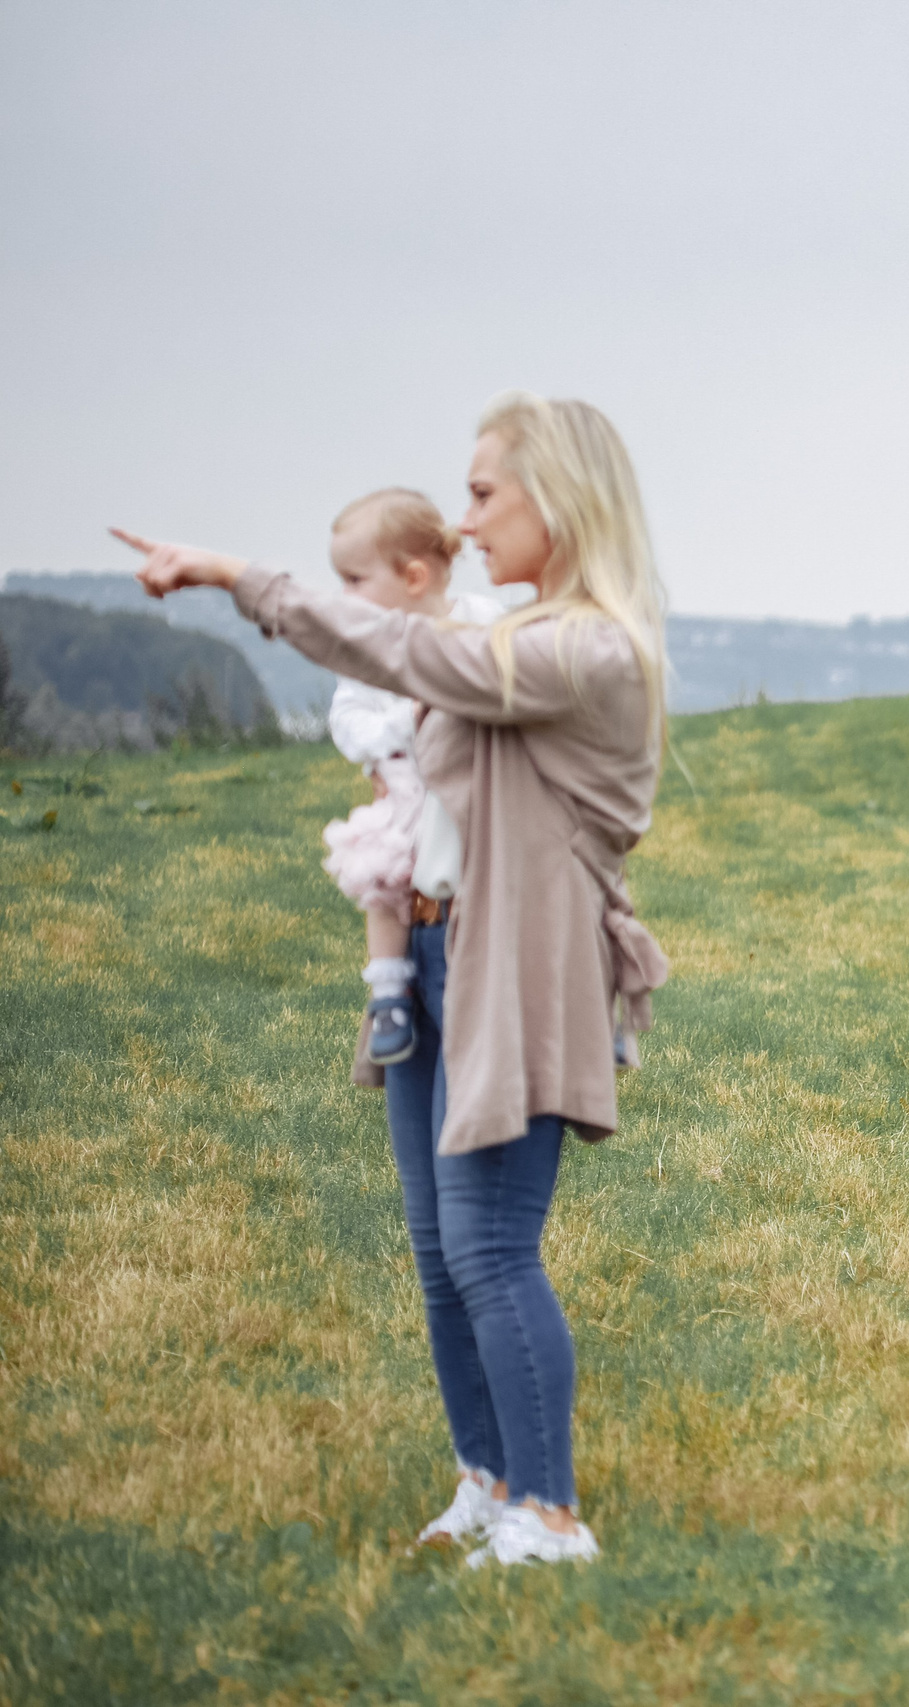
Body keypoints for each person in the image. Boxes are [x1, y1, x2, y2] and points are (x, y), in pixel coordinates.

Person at [117, 391, 673, 1565]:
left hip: (514, 971)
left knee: (491, 1246)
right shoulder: (527, 635)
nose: (466, 523)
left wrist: (234, 574)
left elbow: (402, 646)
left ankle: (549, 1514)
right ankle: (488, 1478)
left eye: (483, 494)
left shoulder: (582, 649)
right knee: (438, 1248)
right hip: (432, 950)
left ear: (558, 499)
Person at [317, 489, 503, 1067]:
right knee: (384, 880)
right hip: (404, 793)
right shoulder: (368, 653)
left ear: (415, 576)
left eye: (354, 579)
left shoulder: (482, 623)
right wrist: (402, 726)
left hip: (470, 810)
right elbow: (347, 721)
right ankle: (389, 994)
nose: (343, 596)